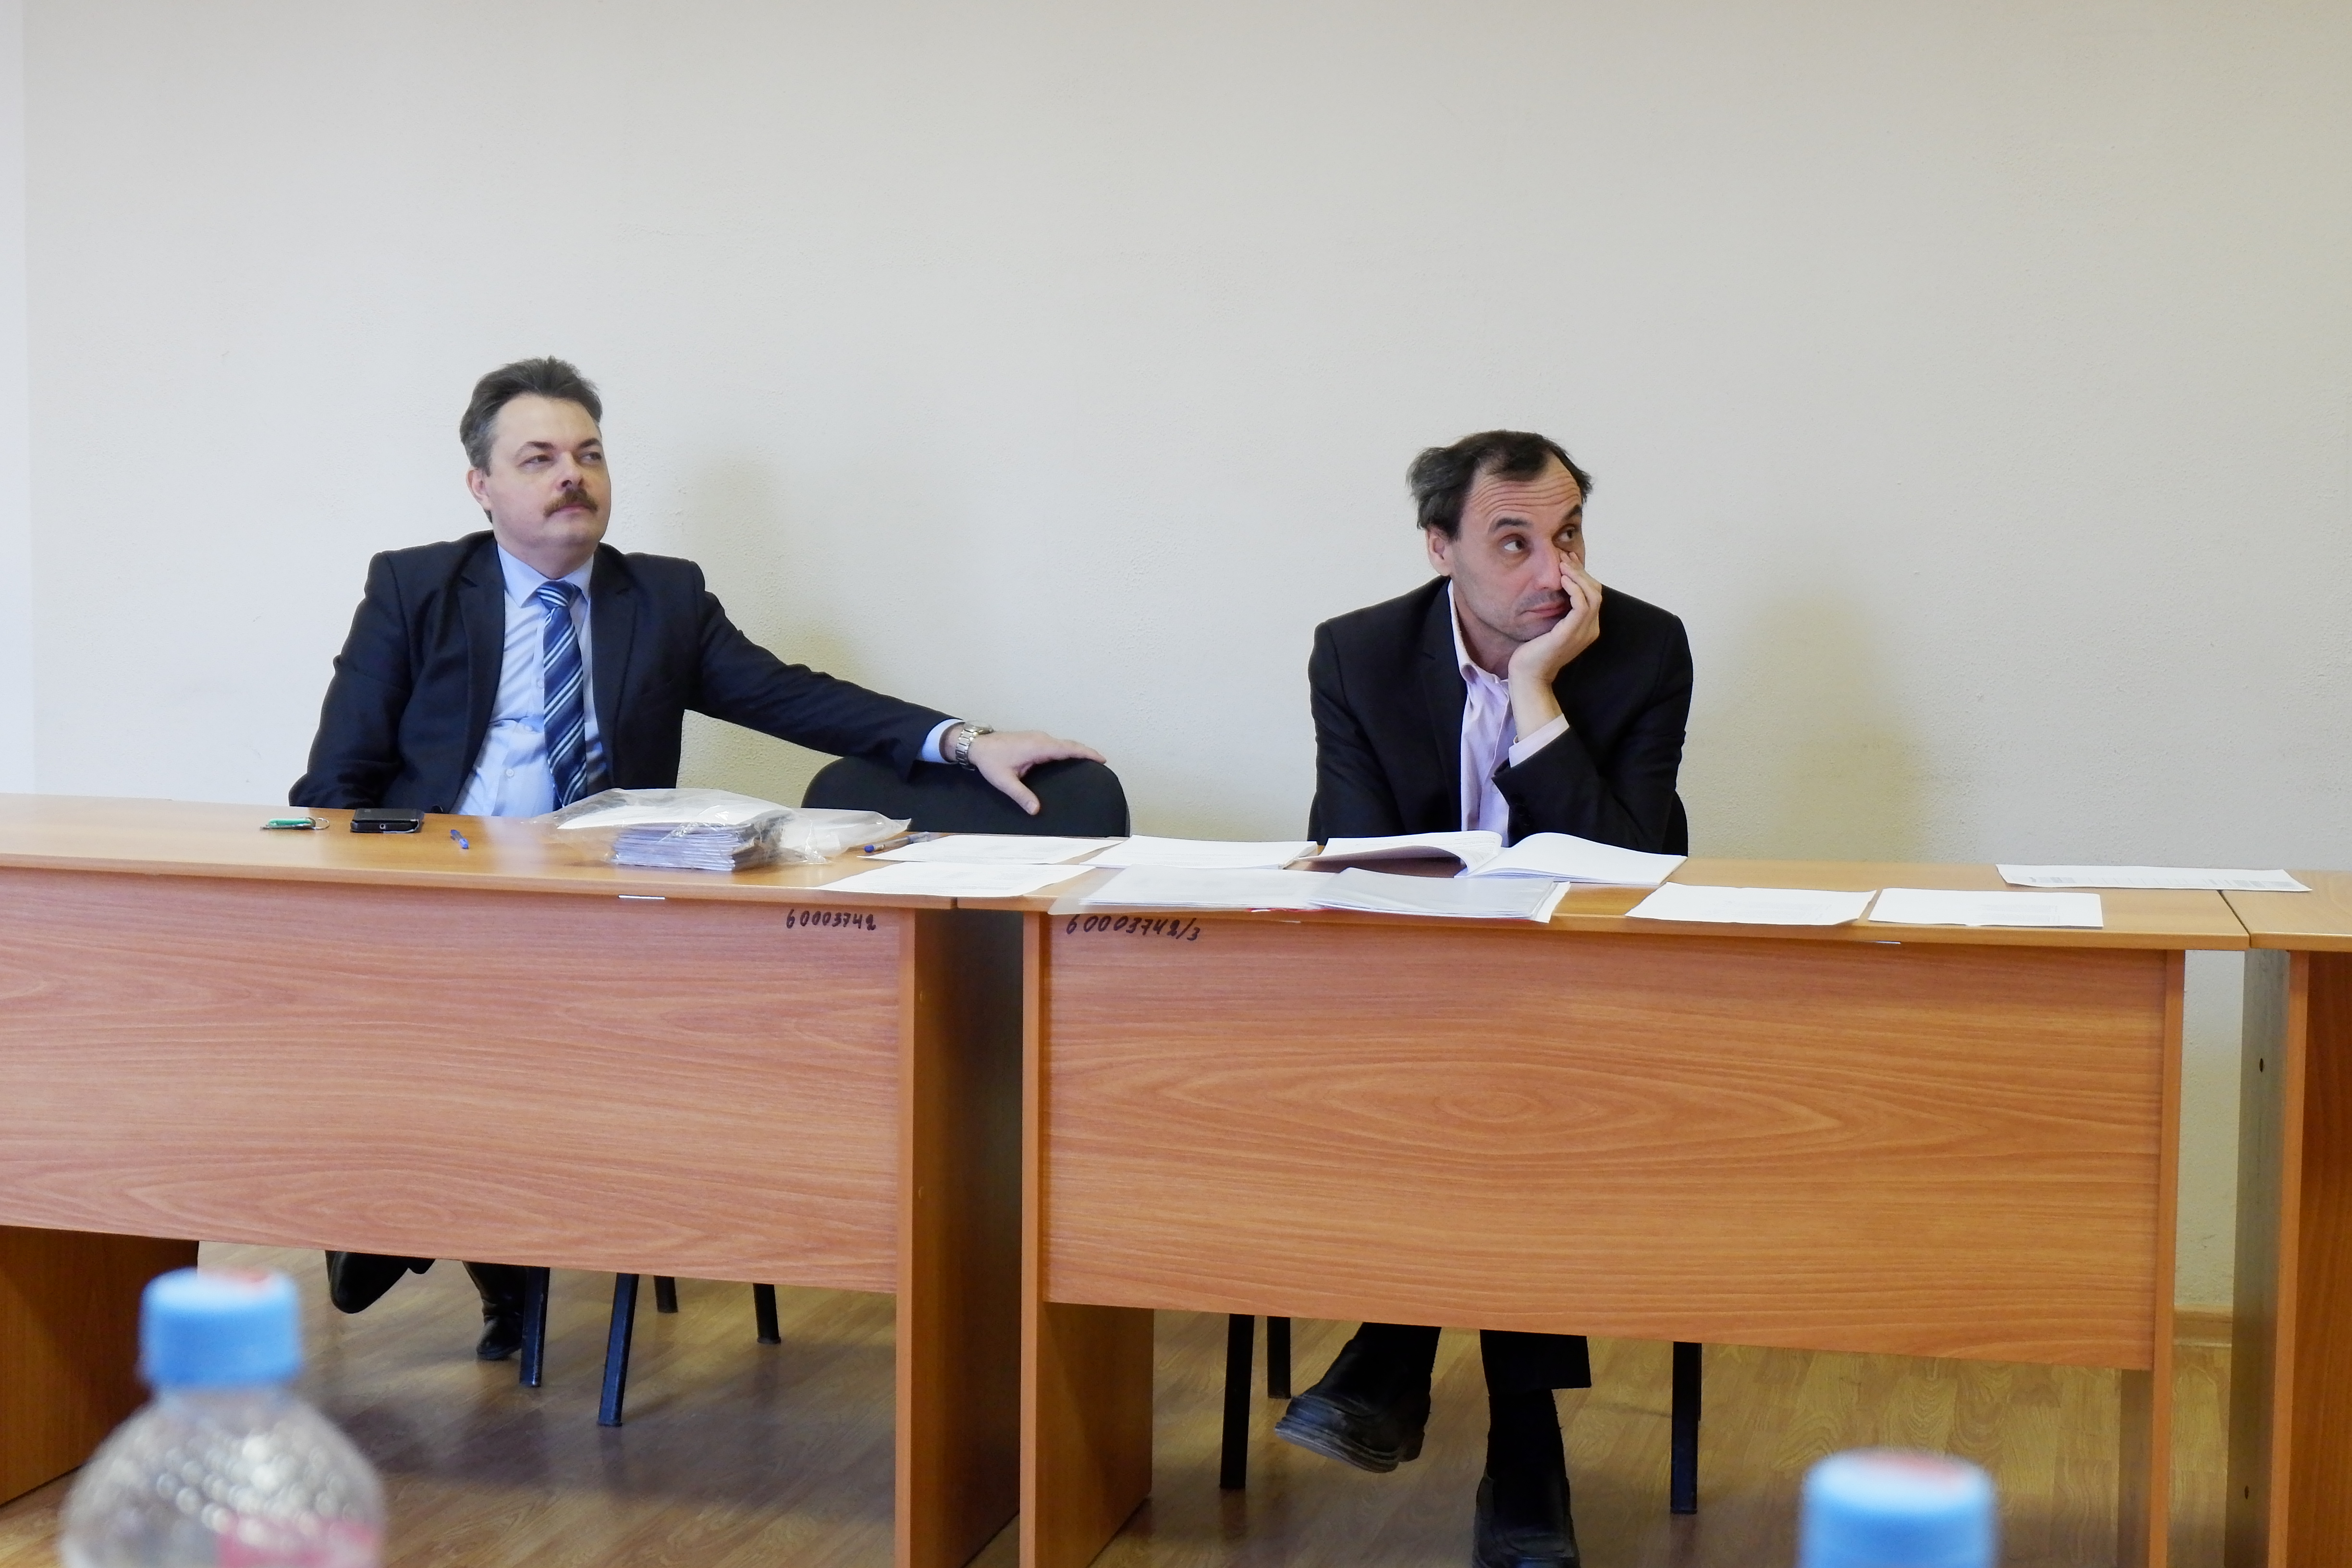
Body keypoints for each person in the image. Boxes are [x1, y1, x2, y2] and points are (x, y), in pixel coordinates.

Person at [292, 356, 1102, 1360]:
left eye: (589, 454)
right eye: (538, 458)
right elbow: (336, 783)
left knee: (527, 1033)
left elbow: (792, 696)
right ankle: (449, 1227)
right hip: (448, 892)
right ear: (482, 487)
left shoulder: (661, 599)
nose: (571, 475)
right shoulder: (415, 588)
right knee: (426, 1016)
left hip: (612, 909)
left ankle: (425, 1222)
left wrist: (965, 742)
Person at [1284, 429, 1693, 1568]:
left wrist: (1533, 689)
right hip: (1411, 1005)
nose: (1553, 572)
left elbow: (1630, 863)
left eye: (1568, 536)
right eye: (1514, 542)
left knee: (1516, 1090)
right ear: (1439, 548)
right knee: (1488, 1093)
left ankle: (1393, 1353)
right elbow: (1359, 857)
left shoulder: (1643, 648)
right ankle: (1524, 1452)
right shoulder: (1358, 654)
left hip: (1591, 1001)